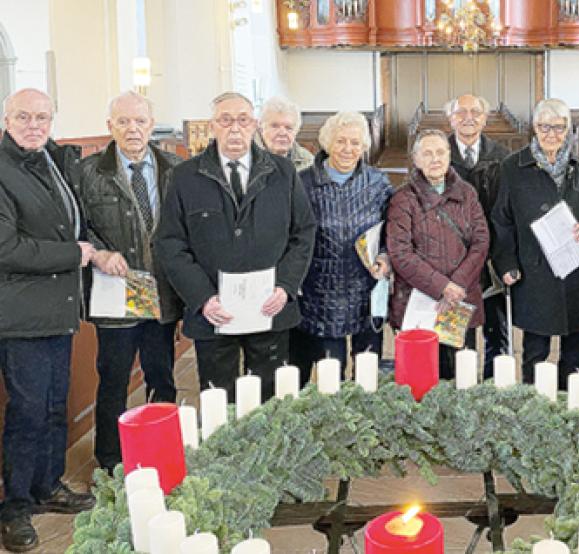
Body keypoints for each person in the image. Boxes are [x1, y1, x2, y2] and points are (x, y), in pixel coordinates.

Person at [155, 91, 316, 401]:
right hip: (214, 312)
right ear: (212, 126)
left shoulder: (282, 173)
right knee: (219, 400)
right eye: (225, 120)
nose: (235, 128)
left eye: (243, 120)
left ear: (254, 125)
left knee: (271, 399)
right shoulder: (184, 176)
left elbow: (304, 232)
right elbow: (170, 243)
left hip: (270, 307)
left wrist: (285, 286)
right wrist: (202, 298)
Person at [0, 88, 96, 552]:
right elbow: (5, 248)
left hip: (58, 308)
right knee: (28, 412)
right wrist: (73, 254)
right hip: (22, 315)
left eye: (42, 116)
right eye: (24, 116)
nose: (34, 124)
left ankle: (47, 484)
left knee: (56, 405)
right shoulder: (2, 168)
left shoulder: (51, 159)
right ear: (6, 118)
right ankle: (16, 504)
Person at [77, 91, 183, 472]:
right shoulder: (89, 173)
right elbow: (78, 227)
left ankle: (163, 452)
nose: (132, 129)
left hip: (161, 293)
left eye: (139, 121)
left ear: (151, 125)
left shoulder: (174, 167)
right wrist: (101, 252)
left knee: (162, 376)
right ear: (110, 127)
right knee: (114, 380)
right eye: (123, 122)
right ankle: (110, 461)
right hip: (116, 294)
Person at [492, 98, 579, 388]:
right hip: (534, 273)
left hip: (576, 272)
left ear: (568, 130)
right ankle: (536, 410)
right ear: (534, 128)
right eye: (545, 127)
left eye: (559, 128)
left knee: (574, 353)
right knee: (536, 353)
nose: (551, 134)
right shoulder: (512, 167)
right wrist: (507, 264)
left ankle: (569, 410)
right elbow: (501, 221)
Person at [290, 112, 393, 383]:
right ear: (327, 143)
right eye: (341, 141)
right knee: (329, 375)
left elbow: (391, 230)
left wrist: (385, 256)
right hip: (321, 292)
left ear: (364, 147)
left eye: (355, 143)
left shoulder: (377, 182)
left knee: (367, 372)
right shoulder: (303, 183)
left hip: (366, 287)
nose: (348, 149)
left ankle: (365, 423)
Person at [387, 129, 489, 378]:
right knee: (423, 377)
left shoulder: (467, 192)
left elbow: (481, 241)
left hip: (461, 298)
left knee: (461, 375)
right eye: (427, 153)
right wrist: (442, 286)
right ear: (416, 160)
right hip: (418, 301)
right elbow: (400, 252)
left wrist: (457, 284)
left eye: (441, 152)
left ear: (449, 155)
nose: (435, 159)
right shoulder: (403, 199)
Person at [446, 94, 511, 378]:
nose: (468, 117)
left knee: (497, 329)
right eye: (461, 112)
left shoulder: (501, 156)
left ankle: (494, 388)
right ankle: (461, 388)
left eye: (475, 112)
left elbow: (509, 210)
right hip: (452, 261)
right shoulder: (439, 154)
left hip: (493, 258)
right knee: (457, 332)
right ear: (451, 119)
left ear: (485, 118)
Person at [255, 95, 314, 171]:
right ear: (260, 127)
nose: (282, 133)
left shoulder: (307, 161)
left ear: (296, 131)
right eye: (275, 126)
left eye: (288, 128)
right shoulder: (245, 158)